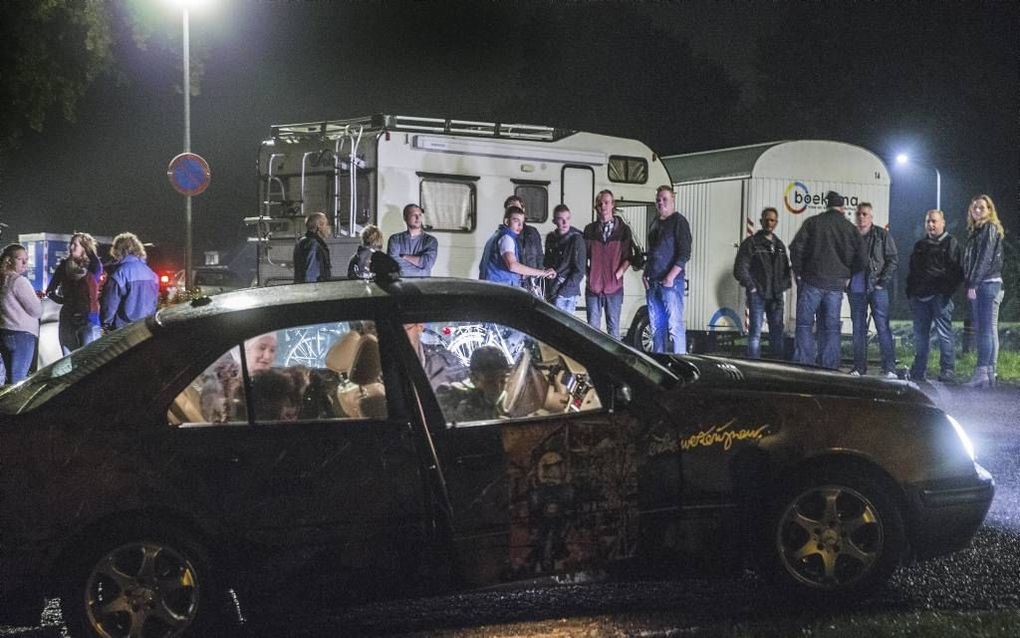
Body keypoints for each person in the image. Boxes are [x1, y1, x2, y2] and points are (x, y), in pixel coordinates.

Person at [789, 191, 865, 369]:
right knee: (830, 327)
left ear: (826, 204)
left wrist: (800, 273)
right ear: (842, 207)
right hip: (836, 286)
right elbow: (862, 258)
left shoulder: (813, 223)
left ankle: (804, 365)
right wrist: (848, 275)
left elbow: (796, 248)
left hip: (812, 282)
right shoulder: (850, 229)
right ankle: (829, 367)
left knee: (805, 324)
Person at [905, 209, 964, 382]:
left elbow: (957, 271)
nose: (930, 225)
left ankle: (947, 370)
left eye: (934, 221)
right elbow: (912, 271)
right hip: (920, 298)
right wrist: (911, 293)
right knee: (920, 336)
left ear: (942, 223)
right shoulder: (920, 245)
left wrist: (945, 291)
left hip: (939, 297)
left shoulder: (951, 243)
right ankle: (919, 370)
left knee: (944, 334)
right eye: (928, 221)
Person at [847, 202, 899, 377]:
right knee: (858, 329)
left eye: (865, 214)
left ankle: (889, 367)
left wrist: (882, 282)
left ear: (871, 217)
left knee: (882, 327)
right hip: (856, 289)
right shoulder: (851, 236)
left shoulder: (881, 235)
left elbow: (892, 259)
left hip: (877, 288)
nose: (861, 217)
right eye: (859, 214)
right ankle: (859, 367)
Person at [733, 207, 792, 358]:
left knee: (777, 334)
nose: (769, 222)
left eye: (772, 220)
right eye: (766, 219)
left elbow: (786, 270)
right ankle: (754, 368)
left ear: (776, 223)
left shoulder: (779, 246)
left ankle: (777, 368)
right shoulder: (751, 244)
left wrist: (782, 287)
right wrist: (752, 287)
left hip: (776, 297)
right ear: (761, 221)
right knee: (755, 334)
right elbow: (740, 268)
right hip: (757, 295)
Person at [962, 194, 1005, 388]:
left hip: (986, 284)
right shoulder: (978, 230)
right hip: (987, 283)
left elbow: (985, 258)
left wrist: (973, 284)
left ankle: (982, 372)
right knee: (987, 330)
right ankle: (987, 373)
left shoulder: (988, 228)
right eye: (974, 207)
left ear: (990, 210)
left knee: (984, 331)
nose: (977, 210)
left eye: (981, 207)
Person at [644, 185, 692, 354]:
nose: (661, 203)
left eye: (665, 199)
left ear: (673, 201)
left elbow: (685, 253)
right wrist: (645, 274)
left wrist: (671, 277)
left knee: (674, 326)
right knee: (657, 328)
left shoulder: (679, 222)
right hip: (653, 282)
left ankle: (682, 363)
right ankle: (659, 364)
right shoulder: (655, 224)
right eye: (658, 200)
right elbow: (652, 251)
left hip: (671, 284)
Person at [583, 190, 633, 339]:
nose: (602, 206)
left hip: (614, 289)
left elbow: (628, 257)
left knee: (613, 330)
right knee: (592, 331)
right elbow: (582, 257)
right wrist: (589, 275)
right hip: (593, 289)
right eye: (599, 204)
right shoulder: (589, 230)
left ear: (613, 205)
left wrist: (617, 275)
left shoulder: (623, 230)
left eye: (606, 202)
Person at [45, 231, 103, 354]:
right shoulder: (65, 265)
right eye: (71, 244)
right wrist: (63, 300)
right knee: (70, 361)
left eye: (75, 244)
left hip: (87, 320)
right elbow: (49, 291)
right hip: (75, 317)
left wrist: (65, 301)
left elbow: (50, 292)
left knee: (89, 360)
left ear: (84, 248)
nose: (71, 247)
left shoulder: (93, 266)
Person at [480, 207, 556, 287]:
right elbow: (512, 265)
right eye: (516, 221)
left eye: (522, 222)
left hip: (491, 286)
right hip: (500, 288)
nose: (520, 225)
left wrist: (521, 274)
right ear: (506, 221)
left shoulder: (495, 236)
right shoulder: (506, 238)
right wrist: (543, 273)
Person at [0, 244, 42, 384]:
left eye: (26, 259)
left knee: (7, 380)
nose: (25, 263)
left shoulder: (2, 280)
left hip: (5, 333)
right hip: (22, 335)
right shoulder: (19, 281)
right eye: (20, 259)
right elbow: (36, 310)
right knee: (18, 381)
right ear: (9, 260)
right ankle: (14, 406)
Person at [99, 232, 159, 332]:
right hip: (146, 327)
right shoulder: (151, 274)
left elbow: (110, 304)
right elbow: (154, 303)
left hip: (123, 329)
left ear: (118, 250)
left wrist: (106, 323)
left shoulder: (119, 274)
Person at [436, 345, 510, 423]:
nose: (498, 388)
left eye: (502, 380)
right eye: (490, 381)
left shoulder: (503, 398)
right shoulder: (452, 396)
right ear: (473, 378)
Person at [543, 204, 586, 312]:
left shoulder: (577, 239)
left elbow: (580, 270)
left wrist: (563, 292)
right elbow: (547, 262)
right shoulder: (551, 238)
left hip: (567, 293)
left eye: (567, 218)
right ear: (554, 221)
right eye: (560, 219)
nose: (565, 222)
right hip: (552, 289)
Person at [504, 195, 544, 296]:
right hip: (513, 283)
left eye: (517, 209)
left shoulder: (533, 232)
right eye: (511, 209)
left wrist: (538, 277)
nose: (515, 211)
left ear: (523, 210)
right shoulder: (505, 236)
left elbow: (540, 256)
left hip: (531, 282)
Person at [387, 204, 437, 278]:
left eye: (419, 215)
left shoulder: (430, 240)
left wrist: (404, 257)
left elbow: (427, 263)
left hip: (422, 285)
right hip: (400, 285)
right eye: (414, 215)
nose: (418, 218)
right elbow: (393, 264)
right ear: (405, 218)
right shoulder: (395, 239)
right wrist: (419, 269)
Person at [293, 211, 332, 283]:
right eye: (326, 224)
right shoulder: (313, 245)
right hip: (314, 291)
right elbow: (310, 274)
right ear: (319, 226)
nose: (328, 228)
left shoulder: (302, 242)